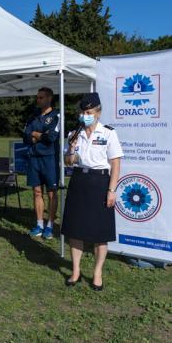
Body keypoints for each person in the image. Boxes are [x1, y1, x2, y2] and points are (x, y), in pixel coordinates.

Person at [63, 92, 123, 291]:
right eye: (82, 112)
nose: (84, 115)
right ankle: (76, 270)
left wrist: (112, 190)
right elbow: (68, 162)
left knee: (100, 232)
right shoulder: (74, 133)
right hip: (79, 180)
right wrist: (71, 150)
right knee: (75, 229)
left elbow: (115, 164)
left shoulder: (108, 133)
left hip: (100, 182)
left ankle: (97, 273)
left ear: (97, 113)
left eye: (88, 112)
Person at [23, 87, 60, 239]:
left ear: (49, 98)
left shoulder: (56, 115)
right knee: (37, 192)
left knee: (52, 193)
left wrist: (35, 135)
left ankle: (50, 226)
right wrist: (38, 135)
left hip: (49, 158)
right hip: (34, 158)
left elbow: (51, 137)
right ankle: (39, 224)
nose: (38, 100)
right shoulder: (33, 115)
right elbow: (25, 136)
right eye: (37, 97)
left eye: (41, 97)